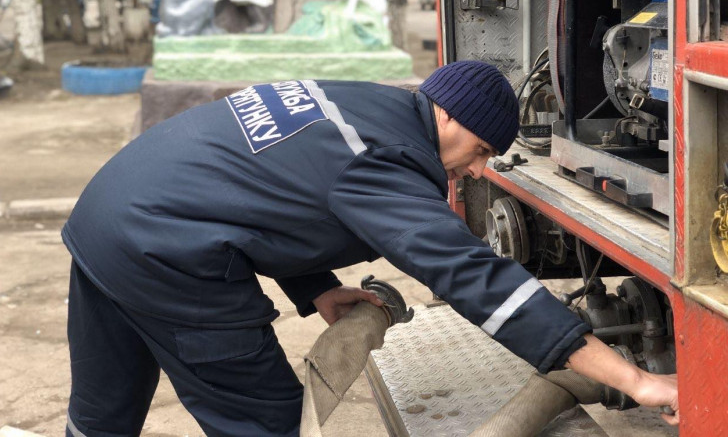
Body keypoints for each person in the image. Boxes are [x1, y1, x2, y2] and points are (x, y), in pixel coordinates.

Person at [62, 61, 679, 436]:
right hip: (164, 250)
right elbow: (476, 279)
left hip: (106, 217)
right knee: (263, 415)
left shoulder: (362, 106)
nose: (474, 171)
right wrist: (634, 380)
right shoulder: (388, 161)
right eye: (483, 152)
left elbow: (269, 188)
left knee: (103, 411)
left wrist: (316, 288)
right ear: (452, 120)